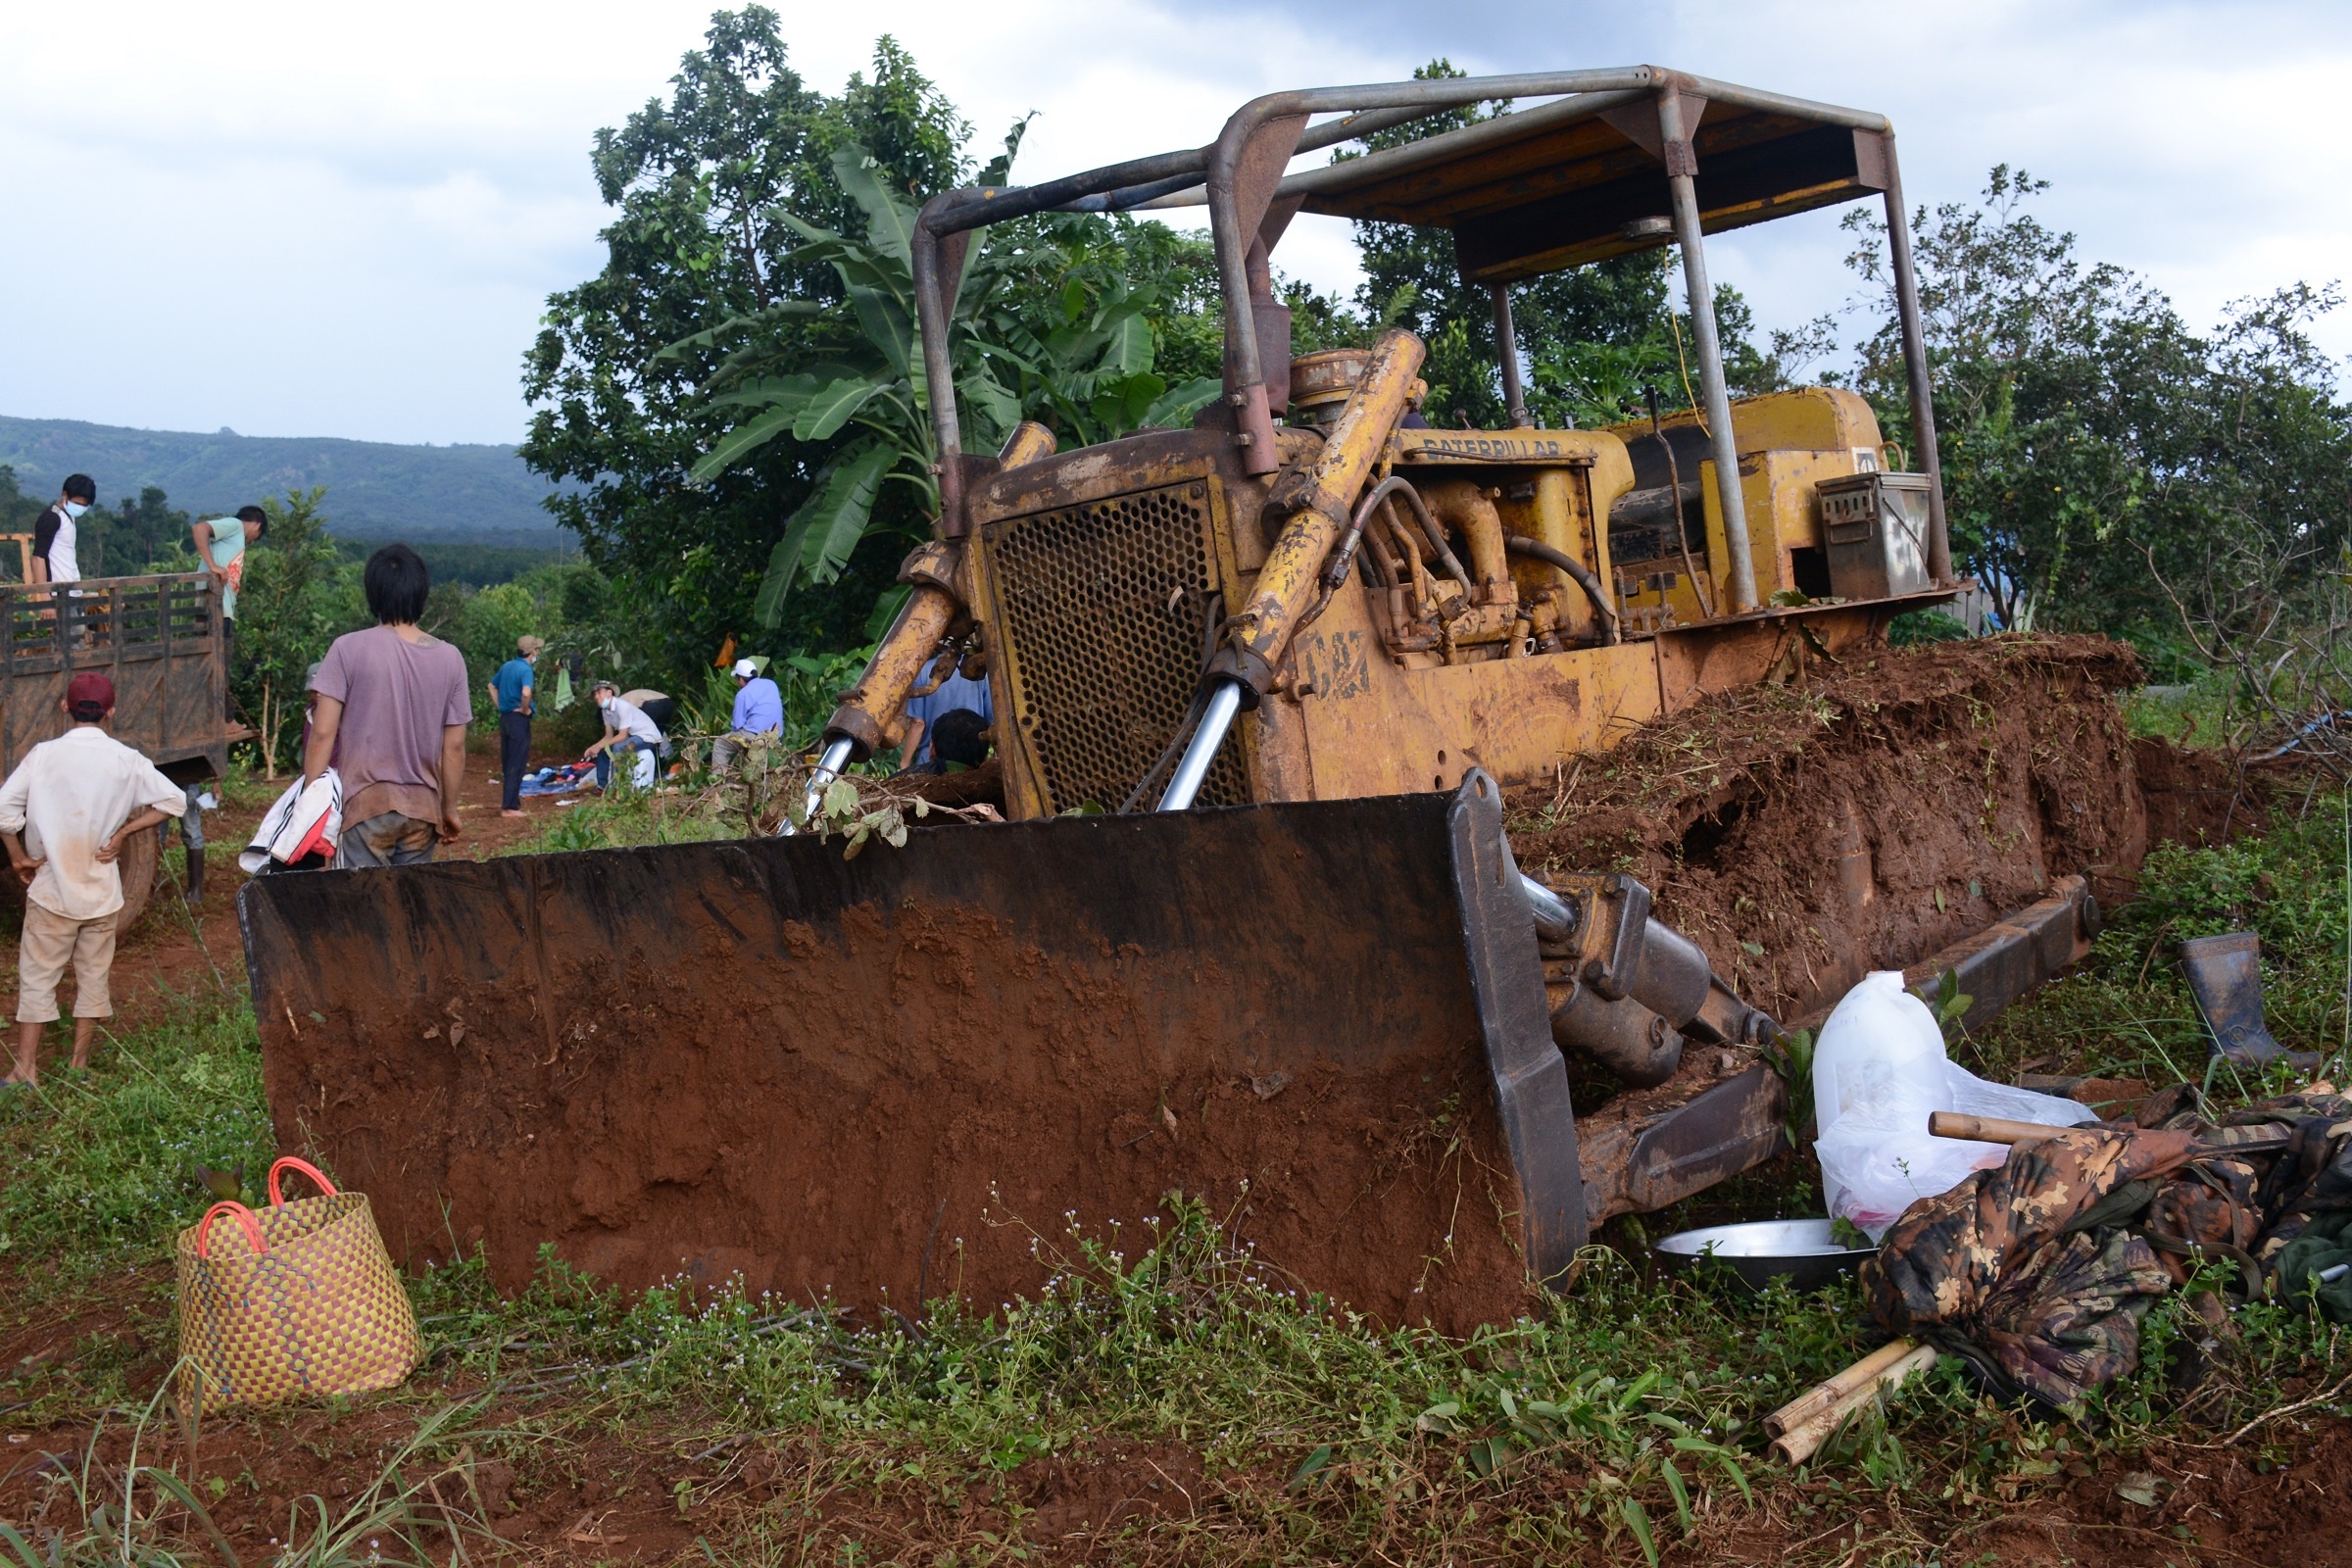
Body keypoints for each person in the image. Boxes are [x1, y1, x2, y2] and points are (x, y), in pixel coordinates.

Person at [0, 673, 185, 1086]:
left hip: (51, 890)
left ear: (65, 708)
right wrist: (122, 834)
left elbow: (3, 810)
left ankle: (25, 1070)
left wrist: (18, 859)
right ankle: (78, 1067)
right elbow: (175, 800)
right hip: (102, 892)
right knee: (93, 977)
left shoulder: (43, 755)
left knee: (37, 978)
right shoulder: (126, 759)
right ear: (111, 712)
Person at [302, 545, 472, 868]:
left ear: (373, 594)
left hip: (365, 806)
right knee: (409, 909)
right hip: (422, 811)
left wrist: (311, 802)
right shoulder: (451, 657)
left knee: (364, 909)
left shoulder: (347, 649)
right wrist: (448, 809)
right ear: (421, 594)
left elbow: (322, 734)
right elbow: (455, 746)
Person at [191, 507, 267, 702]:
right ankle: (223, 719)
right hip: (216, 608)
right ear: (257, 525)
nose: (252, 541)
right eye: (256, 537)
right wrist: (213, 565)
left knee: (212, 666)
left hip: (216, 607)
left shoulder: (234, 537)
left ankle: (217, 716)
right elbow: (199, 528)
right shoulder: (235, 526)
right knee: (220, 667)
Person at [901, 651, 992, 767]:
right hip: (972, 754)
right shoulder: (981, 673)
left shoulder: (924, 671)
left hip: (932, 756)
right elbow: (992, 720)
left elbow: (918, 724)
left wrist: (905, 763)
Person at [488, 635, 542, 818]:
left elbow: (491, 686)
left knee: (508, 760)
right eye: (537, 650)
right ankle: (509, 806)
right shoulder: (525, 670)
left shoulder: (507, 666)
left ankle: (511, 802)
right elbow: (526, 692)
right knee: (517, 762)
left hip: (506, 718)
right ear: (532, 651)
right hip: (518, 719)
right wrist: (525, 709)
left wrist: (501, 706)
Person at [585, 680, 662, 791]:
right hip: (633, 738)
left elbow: (622, 736)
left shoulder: (622, 707)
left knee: (619, 747)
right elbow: (608, 736)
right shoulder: (605, 711)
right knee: (604, 752)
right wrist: (594, 747)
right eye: (594, 694)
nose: (596, 697)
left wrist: (601, 745)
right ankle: (602, 787)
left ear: (609, 693)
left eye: (599, 692)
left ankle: (618, 786)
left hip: (648, 737)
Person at [710, 657, 782, 773]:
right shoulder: (771, 684)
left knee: (720, 743)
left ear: (740, 679)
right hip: (775, 736)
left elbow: (737, 725)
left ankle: (717, 778)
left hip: (754, 736)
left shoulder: (742, 694)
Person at [28, 474, 93, 590]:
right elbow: (38, 557)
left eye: (84, 505)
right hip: (56, 593)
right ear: (65, 495)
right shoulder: (52, 517)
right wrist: (44, 595)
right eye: (77, 503)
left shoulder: (69, 517)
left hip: (72, 589)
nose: (80, 508)